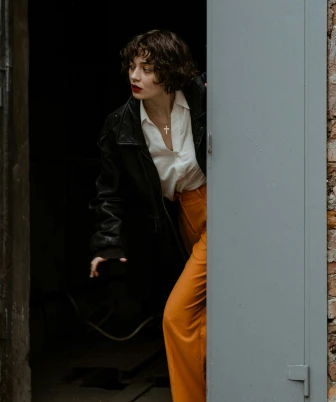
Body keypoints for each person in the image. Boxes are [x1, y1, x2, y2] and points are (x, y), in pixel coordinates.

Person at [89, 29, 207, 402]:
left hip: (226, 214)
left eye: (147, 67)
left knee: (177, 317)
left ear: (170, 71)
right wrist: (107, 243)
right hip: (185, 218)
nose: (135, 76)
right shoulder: (120, 125)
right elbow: (109, 191)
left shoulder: (203, 100)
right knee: (203, 314)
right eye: (132, 66)